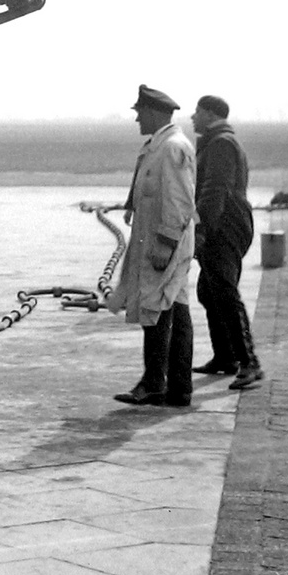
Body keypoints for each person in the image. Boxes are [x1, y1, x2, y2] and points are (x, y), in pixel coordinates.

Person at [109, 85, 196, 407]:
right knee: (174, 309)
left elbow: (179, 202)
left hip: (165, 244)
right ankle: (176, 388)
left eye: (139, 113)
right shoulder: (158, 146)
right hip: (159, 242)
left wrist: (165, 245)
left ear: (154, 112)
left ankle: (155, 384)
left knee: (156, 308)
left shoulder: (172, 147)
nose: (137, 120)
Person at [192, 95, 262, 389]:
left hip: (224, 224)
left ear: (210, 114)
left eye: (197, 112)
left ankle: (250, 363)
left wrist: (202, 229)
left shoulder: (220, 143)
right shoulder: (219, 140)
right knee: (209, 291)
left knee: (223, 290)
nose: (193, 117)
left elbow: (214, 190)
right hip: (227, 222)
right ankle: (226, 357)